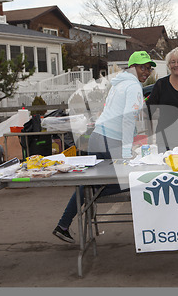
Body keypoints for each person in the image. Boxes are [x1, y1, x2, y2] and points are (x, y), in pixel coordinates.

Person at [52, 51, 156, 243]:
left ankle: (64, 223)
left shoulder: (120, 83)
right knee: (132, 180)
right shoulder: (132, 86)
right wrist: (126, 151)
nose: (147, 71)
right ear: (133, 67)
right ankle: (88, 198)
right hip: (109, 140)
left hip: (99, 138)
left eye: (149, 68)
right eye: (143, 67)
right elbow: (127, 119)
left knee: (97, 181)